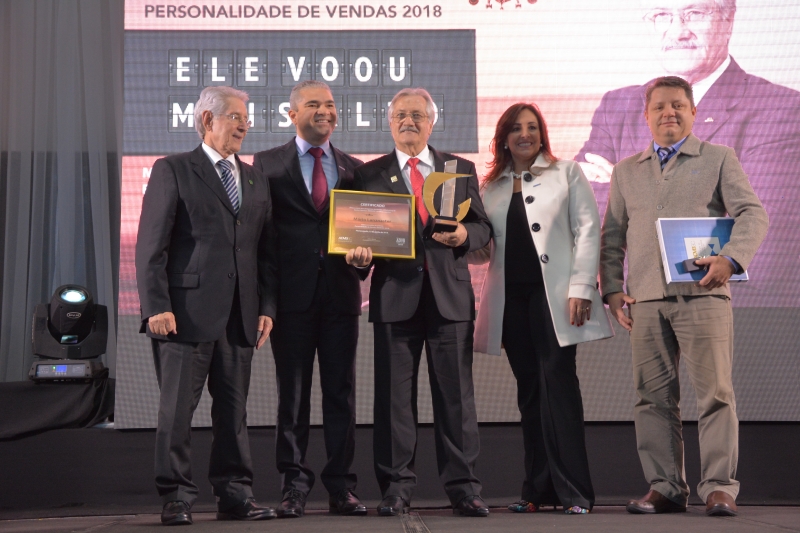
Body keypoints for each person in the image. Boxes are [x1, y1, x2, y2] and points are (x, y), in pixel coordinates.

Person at [600, 76, 768, 517]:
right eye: (659, 106)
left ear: (693, 112)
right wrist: (612, 289)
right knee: (652, 398)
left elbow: (753, 213)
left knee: (715, 394)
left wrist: (731, 258)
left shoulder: (718, 158)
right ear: (646, 115)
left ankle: (720, 488)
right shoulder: (626, 170)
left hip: (703, 296)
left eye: (677, 105)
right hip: (646, 300)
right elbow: (612, 235)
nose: (668, 112)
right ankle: (666, 487)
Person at [577, 0, 800, 307]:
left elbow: (762, 244)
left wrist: (627, 186)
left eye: (694, 13)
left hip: (720, 310)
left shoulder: (780, 109)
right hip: (629, 307)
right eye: (662, 15)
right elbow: (579, 217)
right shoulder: (617, 105)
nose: (677, 31)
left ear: (728, 19)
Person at [136, 86, 278, 525]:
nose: (244, 125)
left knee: (233, 414)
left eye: (246, 118)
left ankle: (235, 495)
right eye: (235, 116)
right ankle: (176, 496)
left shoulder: (255, 178)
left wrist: (267, 307)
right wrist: (156, 305)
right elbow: (151, 245)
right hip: (184, 316)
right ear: (206, 120)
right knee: (177, 412)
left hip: (240, 317)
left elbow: (265, 252)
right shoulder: (173, 169)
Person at [346, 87, 492, 517]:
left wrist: (465, 235)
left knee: (457, 400)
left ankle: (464, 488)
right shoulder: (367, 174)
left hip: (450, 299)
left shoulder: (458, 169)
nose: (408, 122)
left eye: (417, 115)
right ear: (389, 123)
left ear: (432, 122)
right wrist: (359, 259)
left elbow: (483, 229)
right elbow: (357, 239)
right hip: (395, 299)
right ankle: (396, 488)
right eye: (400, 116)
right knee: (393, 401)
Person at [471, 103, 614, 515]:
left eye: (532, 127)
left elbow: (588, 230)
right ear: (503, 137)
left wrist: (582, 287)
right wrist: (455, 238)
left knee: (559, 388)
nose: (525, 134)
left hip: (555, 300)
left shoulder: (566, 172)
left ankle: (576, 492)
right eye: (516, 128)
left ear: (542, 134)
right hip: (511, 303)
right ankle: (537, 490)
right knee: (530, 392)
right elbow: (483, 251)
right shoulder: (491, 186)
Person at [251, 80, 366, 518]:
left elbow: (365, 233)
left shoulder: (354, 168)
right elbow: (261, 239)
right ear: (292, 113)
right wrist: (265, 302)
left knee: (341, 395)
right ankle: (294, 487)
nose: (325, 111)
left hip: (341, 297)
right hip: (290, 299)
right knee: (292, 397)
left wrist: (364, 261)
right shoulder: (266, 164)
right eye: (314, 104)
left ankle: (341, 487)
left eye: (330, 104)